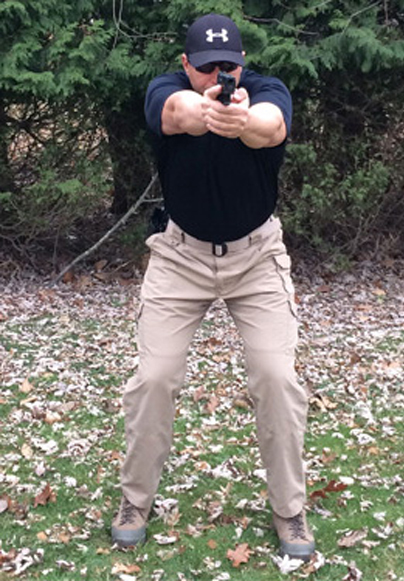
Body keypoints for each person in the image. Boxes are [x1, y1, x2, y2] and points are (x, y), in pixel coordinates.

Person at [110, 13, 315, 561]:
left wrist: (241, 120)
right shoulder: (168, 89)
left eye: (227, 65)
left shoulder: (266, 91)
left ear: (243, 63)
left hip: (256, 256)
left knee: (277, 378)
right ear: (186, 64)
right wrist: (206, 112)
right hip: (180, 255)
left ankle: (289, 509)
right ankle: (135, 501)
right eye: (205, 68)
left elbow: (271, 126)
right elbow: (175, 113)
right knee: (154, 378)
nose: (217, 75)